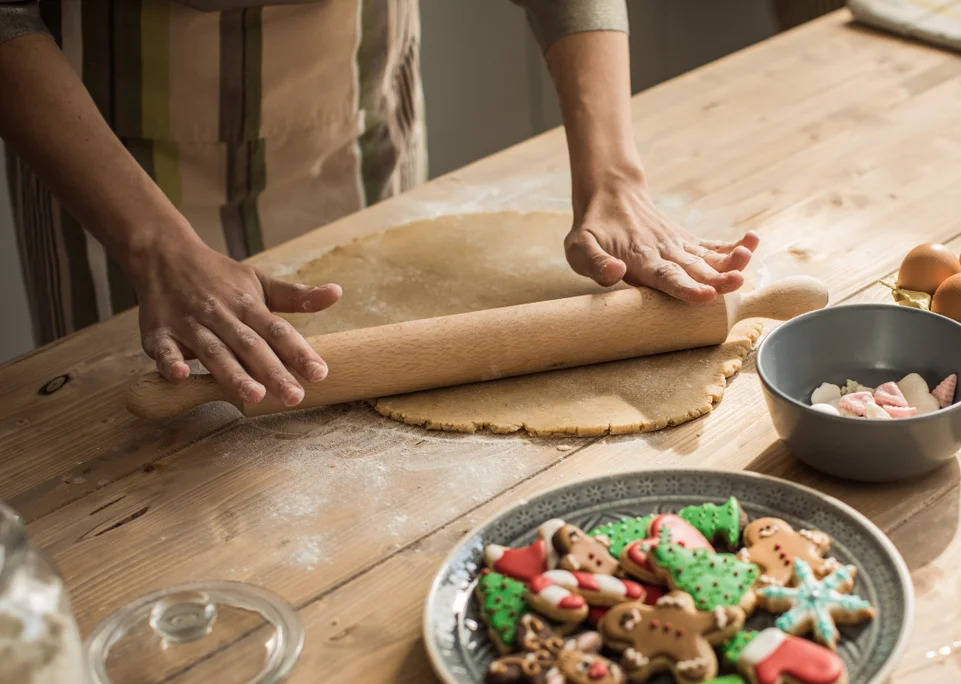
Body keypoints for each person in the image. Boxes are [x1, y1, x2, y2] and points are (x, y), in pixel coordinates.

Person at [0, 0, 759, 407]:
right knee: (126, 427)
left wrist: (614, 174)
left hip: (349, 104)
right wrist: (156, 249)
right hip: (103, 148)